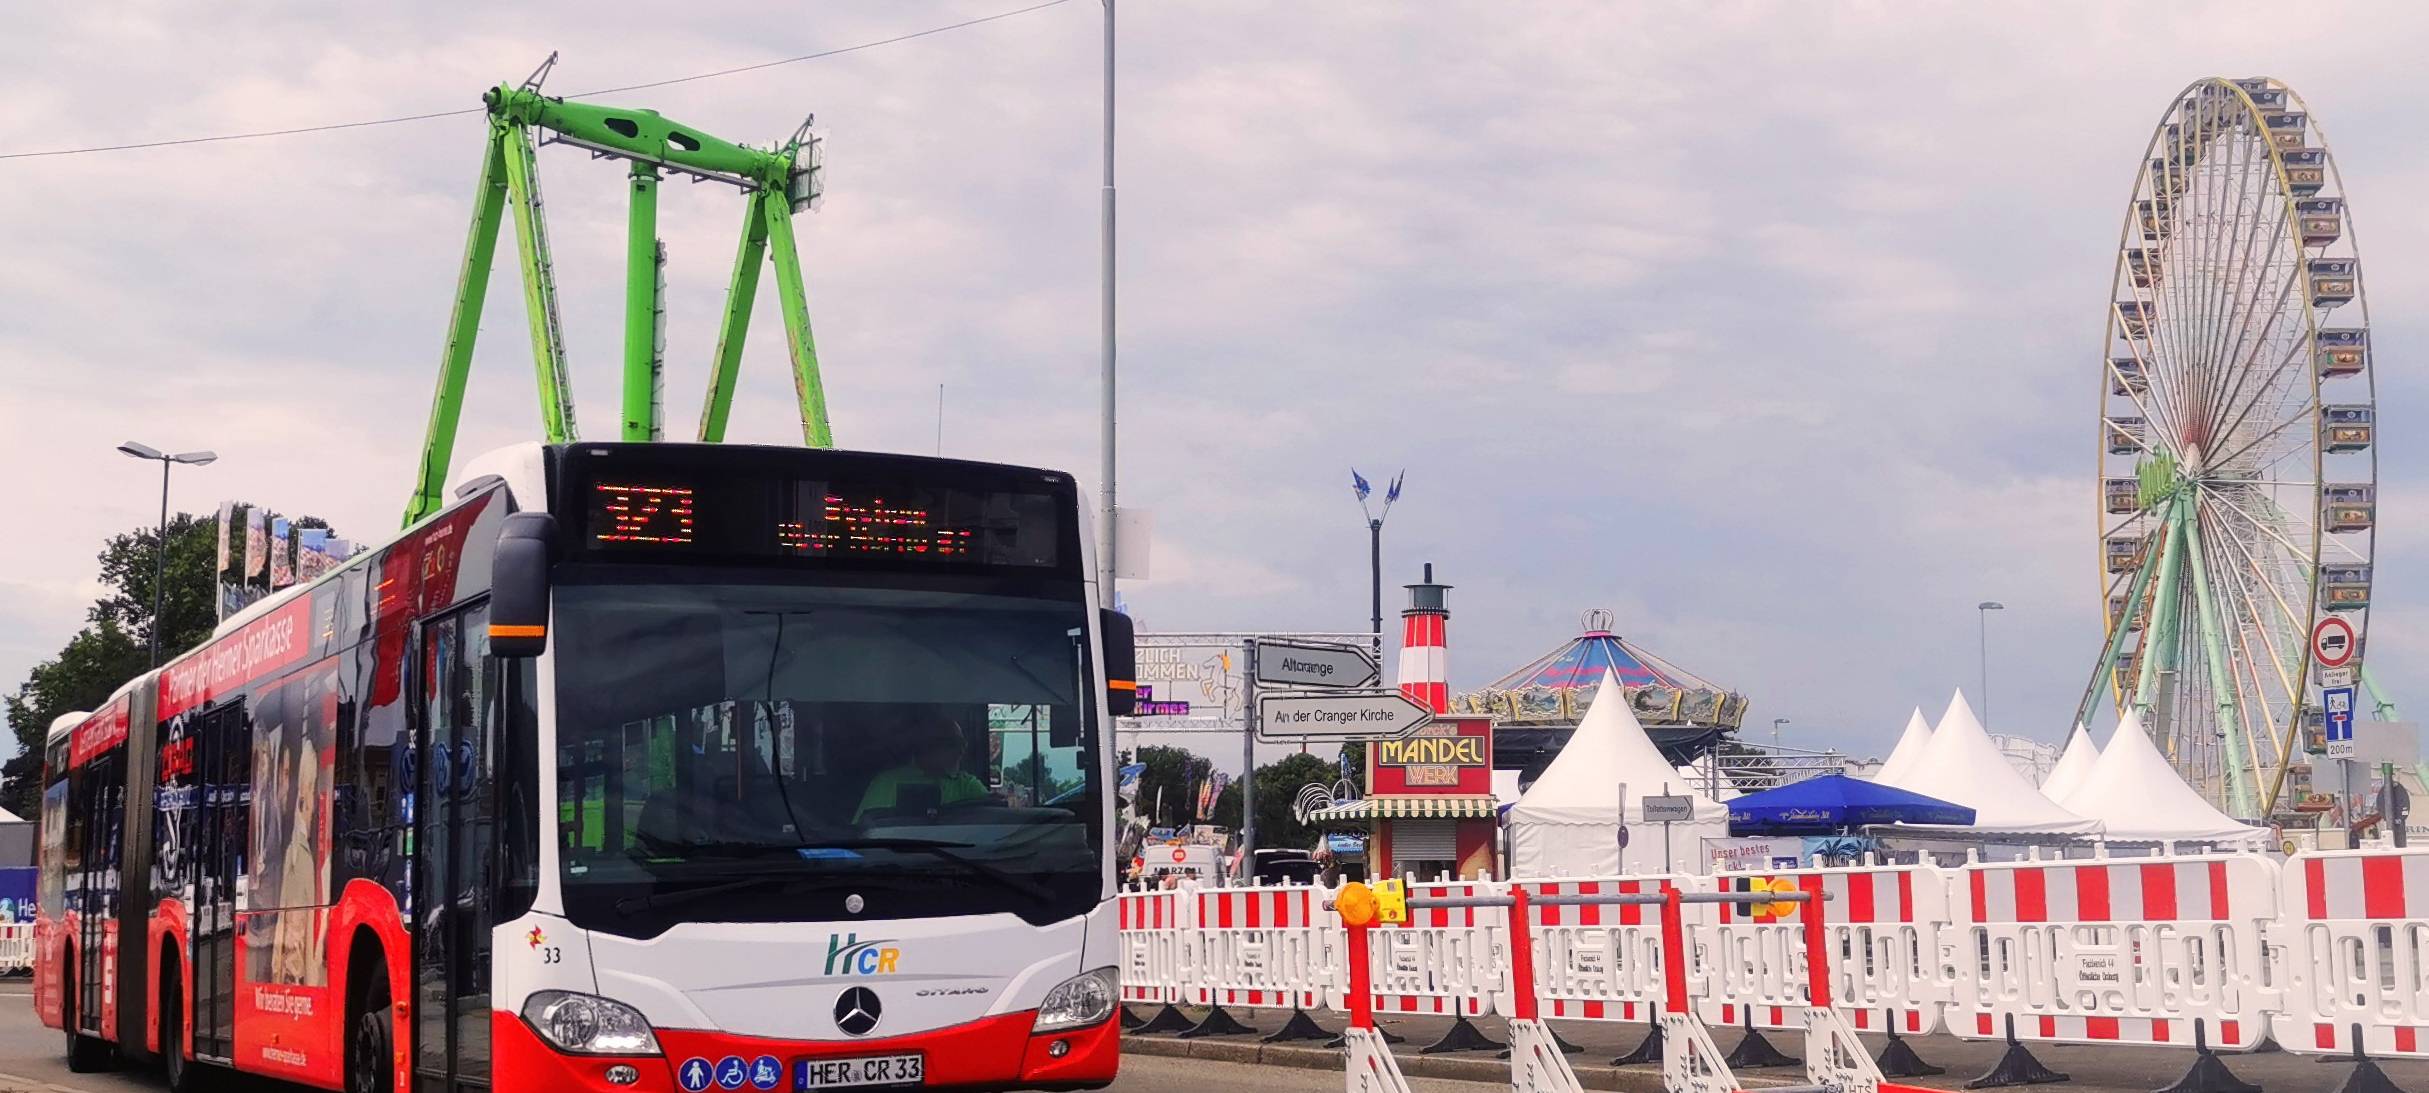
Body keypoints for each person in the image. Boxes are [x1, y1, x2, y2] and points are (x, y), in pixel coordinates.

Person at [855, 718, 989, 821]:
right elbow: (862, 833)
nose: (962, 750)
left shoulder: (967, 785)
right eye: (953, 744)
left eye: (963, 743)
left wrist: (995, 804)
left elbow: (992, 818)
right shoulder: (887, 782)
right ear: (927, 746)